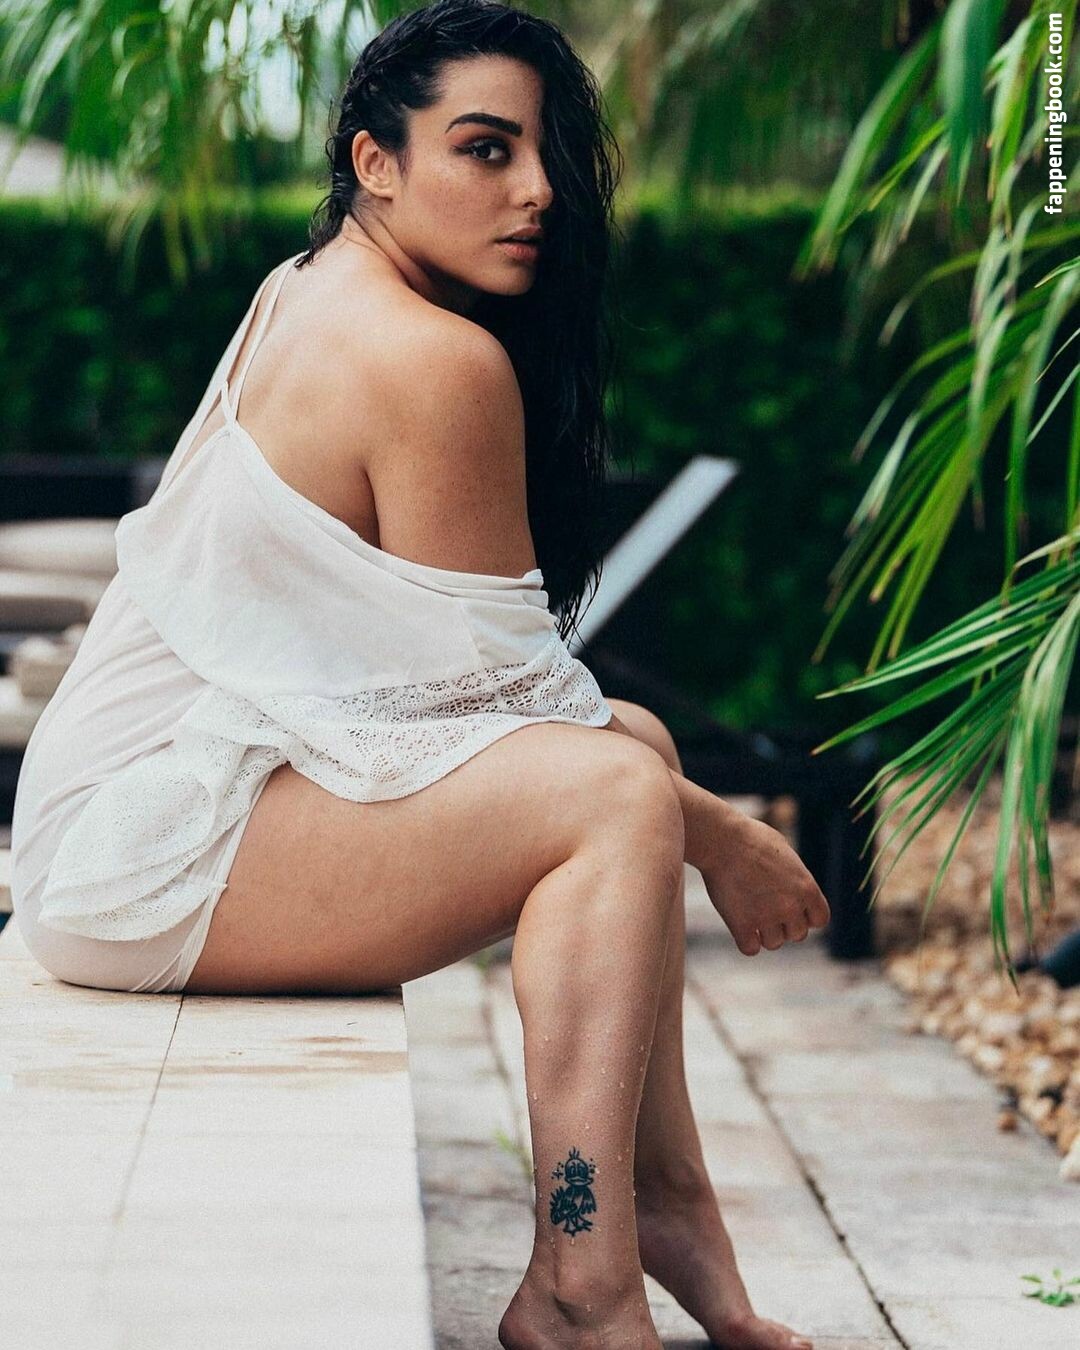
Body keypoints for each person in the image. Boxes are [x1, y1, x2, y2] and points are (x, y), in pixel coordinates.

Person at [9, 2, 830, 1346]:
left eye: (545, 154)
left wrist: (680, 803)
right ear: (374, 160)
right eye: (487, 150)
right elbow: (514, 707)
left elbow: (494, 695)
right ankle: (581, 1282)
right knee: (618, 791)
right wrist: (725, 836)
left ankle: (660, 1205)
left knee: (632, 746)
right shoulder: (431, 358)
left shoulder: (311, 281)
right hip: (141, 855)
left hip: (131, 810)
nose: (539, 190)